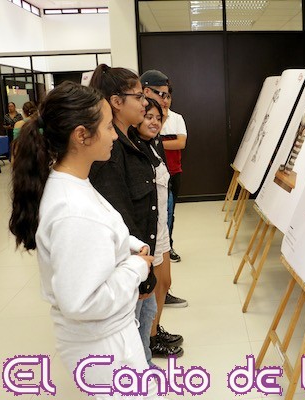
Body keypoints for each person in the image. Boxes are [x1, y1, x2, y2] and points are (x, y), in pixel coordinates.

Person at [8, 81, 160, 399]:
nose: (115, 135)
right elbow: (83, 301)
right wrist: (136, 267)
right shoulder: (72, 209)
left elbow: (99, 230)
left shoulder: (74, 183)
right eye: (108, 127)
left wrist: (130, 244)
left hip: (106, 338)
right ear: (81, 135)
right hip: (103, 346)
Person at [88, 64, 183, 363]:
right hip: (131, 262)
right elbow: (121, 216)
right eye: (139, 96)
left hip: (142, 256)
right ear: (117, 102)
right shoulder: (111, 150)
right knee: (132, 332)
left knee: (144, 320)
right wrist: (139, 270)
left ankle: (144, 366)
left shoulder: (132, 139)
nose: (146, 103)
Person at [134, 97, 185, 357]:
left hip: (161, 225)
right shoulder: (134, 148)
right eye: (148, 117)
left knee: (164, 282)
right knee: (152, 288)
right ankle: (149, 339)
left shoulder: (154, 145)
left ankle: (154, 330)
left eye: (158, 118)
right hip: (149, 230)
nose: (154, 122)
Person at [140, 69, 189, 307]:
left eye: (168, 95)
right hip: (146, 216)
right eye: (161, 94)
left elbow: (181, 142)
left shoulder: (173, 120)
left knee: (169, 216)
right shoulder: (137, 132)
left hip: (168, 179)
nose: (165, 99)